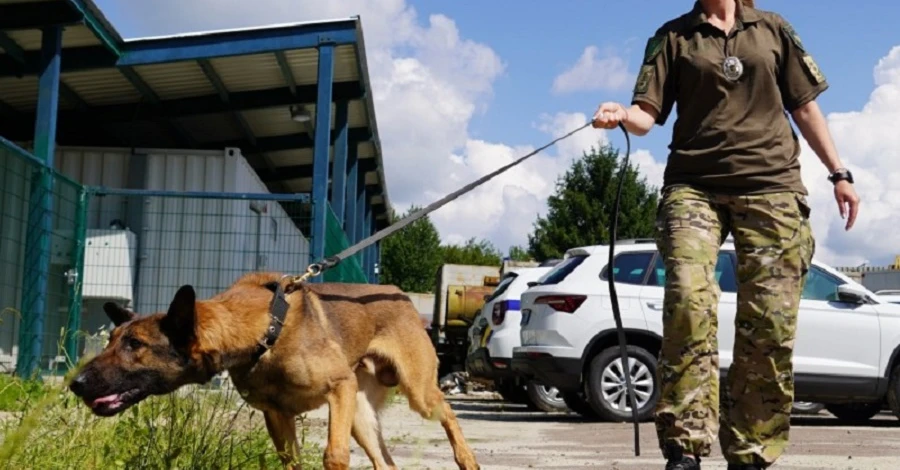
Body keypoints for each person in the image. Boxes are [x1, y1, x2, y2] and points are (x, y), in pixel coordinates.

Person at [591, 1, 860, 469]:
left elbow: (804, 105)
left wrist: (839, 172)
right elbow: (646, 114)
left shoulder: (773, 29)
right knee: (689, 303)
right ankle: (684, 446)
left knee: (770, 324)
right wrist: (620, 114)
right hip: (694, 187)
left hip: (772, 184)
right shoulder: (674, 37)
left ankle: (752, 452)